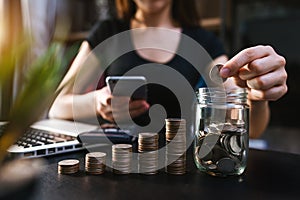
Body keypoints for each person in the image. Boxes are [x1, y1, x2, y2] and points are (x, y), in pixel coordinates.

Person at [48, 0, 287, 139]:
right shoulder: (107, 33)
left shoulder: (203, 42)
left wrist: (255, 97)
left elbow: (251, 129)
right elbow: (56, 106)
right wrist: (97, 102)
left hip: (179, 170)